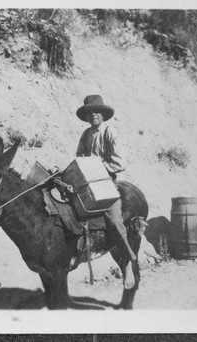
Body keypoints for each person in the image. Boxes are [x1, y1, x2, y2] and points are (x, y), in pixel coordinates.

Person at [75, 94, 137, 289]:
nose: (93, 115)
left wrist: (99, 166)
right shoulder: (86, 135)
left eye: (96, 112)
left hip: (108, 182)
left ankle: (127, 264)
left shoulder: (110, 132)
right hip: (89, 182)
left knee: (114, 219)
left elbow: (120, 162)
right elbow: (79, 156)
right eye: (89, 113)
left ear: (103, 114)